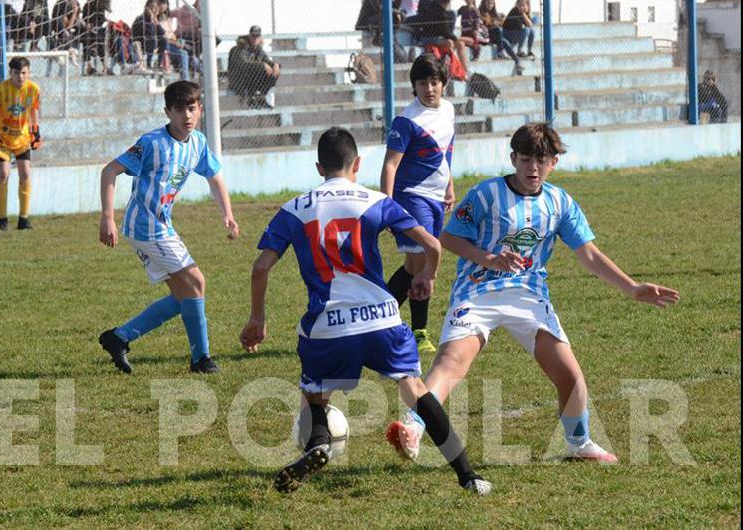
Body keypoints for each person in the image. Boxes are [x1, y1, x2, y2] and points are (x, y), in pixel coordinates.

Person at [387, 123, 680, 463]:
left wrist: (632, 287)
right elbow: (449, 238)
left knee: (569, 374)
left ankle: (578, 443)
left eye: (542, 160)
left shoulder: (559, 203)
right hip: (478, 291)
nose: (533, 168)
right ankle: (413, 427)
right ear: (513, 158)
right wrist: (489, 259)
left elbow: (589, 254)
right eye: (526, 159)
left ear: (554, 161)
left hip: (528, 296)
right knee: (452, 362)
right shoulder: (485, 194)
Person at [239, 126, 492, 495]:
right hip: (381, 320)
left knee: (314, 396)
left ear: (318, 167)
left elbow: (261, 267)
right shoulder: (375, 201)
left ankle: (318, 444)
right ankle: (468, 475)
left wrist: (257, 319)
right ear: (357, 164)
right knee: (415, 390)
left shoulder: (293, 209)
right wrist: (425, 276)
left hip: (327, 325)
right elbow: (432, 245)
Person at [97, 80, 239, 375]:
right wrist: (107, 217)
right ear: (167, 112)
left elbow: (215, 177)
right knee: (196, 282)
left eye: (191, 109)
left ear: (200, 109)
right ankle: (201, 359)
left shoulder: (198, 142)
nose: (186, 116)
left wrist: (227, 213)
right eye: (178, 110)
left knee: (184, 295)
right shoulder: (152, 143)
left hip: (161, 225)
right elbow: (110, 170)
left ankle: (119, 337)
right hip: (146, 227)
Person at [381, 53, 455, 356]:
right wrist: (386, 207)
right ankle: (418, 331)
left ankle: (377, 320)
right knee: (424, 261)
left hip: (436, 197)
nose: (429, 88)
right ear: (414, 86)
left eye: (434, 82)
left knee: (414, 266)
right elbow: (390, 165)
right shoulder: (407, 120)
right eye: (422, 83)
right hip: (410, 195)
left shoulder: (448, 110)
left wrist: (449, 184)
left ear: (443, 83)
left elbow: (446, 150)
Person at [0, 56, 41, 231]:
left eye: (24, 73)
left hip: (22, 138)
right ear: (10, 73)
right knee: (3, 174)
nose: (21, 77)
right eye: (17, 73)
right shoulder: (1, 90)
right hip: (3, 139)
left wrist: (36, 132)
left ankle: (23, 219)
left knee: (25, 173)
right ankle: (2, 220)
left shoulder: (33, 89)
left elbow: (33, 110)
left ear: (29, 72)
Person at [227, 25, 280, 109]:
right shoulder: (240, 47)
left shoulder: (257, 49)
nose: (255, 39)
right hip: (239, 81)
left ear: (260, 37)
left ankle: (263, 98)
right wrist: (262, 65)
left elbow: (267, 60)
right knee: (262, 68)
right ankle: (256, 98)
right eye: (253, 36)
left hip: (251, 81)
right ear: (249, 36)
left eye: (257, 36)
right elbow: (243, 64)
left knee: (275, 71)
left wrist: (275, 65)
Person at [413, 0, 469, 76]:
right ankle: (449, 70)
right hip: (427, 37)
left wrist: (459, 39)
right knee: (449, 43)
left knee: (461, 44)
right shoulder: (434, 8)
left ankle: (466, 72)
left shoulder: (447, 13)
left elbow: (447, 33)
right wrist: (460, 38)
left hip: (441, 36)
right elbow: (446, 33)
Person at [478, 0, 522, 75]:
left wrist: (498, 22)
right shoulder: (479, 12)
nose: (490, 5)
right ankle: (500, 52)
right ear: (484, 3)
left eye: (491, 3)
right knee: (498, 30)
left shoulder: (493, 13)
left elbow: (496, 24)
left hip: (493, 36)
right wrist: (492, 24)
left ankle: (517, 61)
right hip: (483, 36)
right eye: (488, 3)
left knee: (504, 41)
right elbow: (482, 26)